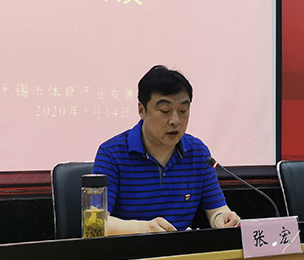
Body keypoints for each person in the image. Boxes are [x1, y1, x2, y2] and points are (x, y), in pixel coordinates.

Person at [92, 65, 241, 235]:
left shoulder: (198, 153)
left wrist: (223, 218)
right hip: (129, 250)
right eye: (165, 111)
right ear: (141, 110)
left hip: (181, 250)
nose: (175, 120)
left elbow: (217, 210)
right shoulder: (111, 153)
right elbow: (95, 223)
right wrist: (144, 229)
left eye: (183, 111)